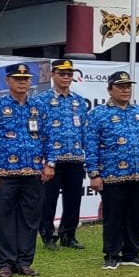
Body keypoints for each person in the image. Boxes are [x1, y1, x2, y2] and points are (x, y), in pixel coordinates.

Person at [0, 63, 49, 277]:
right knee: (4, 219)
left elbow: (49, 137)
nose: (23, 82)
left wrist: (51, 163)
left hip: (33, 173)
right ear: (7, 81)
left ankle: (25, 262)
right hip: (5, 173)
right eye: (18, 79)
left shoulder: (38, 106)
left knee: (30, 219)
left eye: (26, 79)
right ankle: (5, 263)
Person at [84, 70, 139, 270]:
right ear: (109, 89)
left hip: (138, 173)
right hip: (111, 175)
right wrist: (94, 174)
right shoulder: (98, 114)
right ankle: (112, 254)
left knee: (136, 215)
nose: (125, 90)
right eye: (120, 87)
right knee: (114, 216)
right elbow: (90, 145)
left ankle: (132, 253)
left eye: (128, 87)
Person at [37, 58, 90, 251]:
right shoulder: (41, 100)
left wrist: (89, 157)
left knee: (74, 198)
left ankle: (69, 235)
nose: (66, 77)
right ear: (53, 75)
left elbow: (85, 131)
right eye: (62, 74)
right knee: (48, 200)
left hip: (75, 157)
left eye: (69, 74)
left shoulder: (79, 101)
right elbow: (39, 132)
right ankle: (47, 235)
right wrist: (44, 161)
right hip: (52, 160)